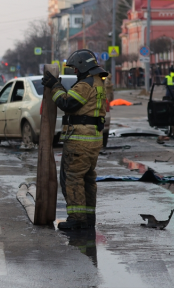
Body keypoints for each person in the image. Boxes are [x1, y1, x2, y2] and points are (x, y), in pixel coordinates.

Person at [42, 49, 108, 230]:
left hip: (80, 140)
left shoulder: (84, 85)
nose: (75, 72)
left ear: (83, 66)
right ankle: (87, 218)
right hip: (93, 139)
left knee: (73, 178)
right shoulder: (99, 82)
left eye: (75, 68)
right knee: (87, 179)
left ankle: (77, 219)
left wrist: (55, 86)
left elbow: (66, 103)